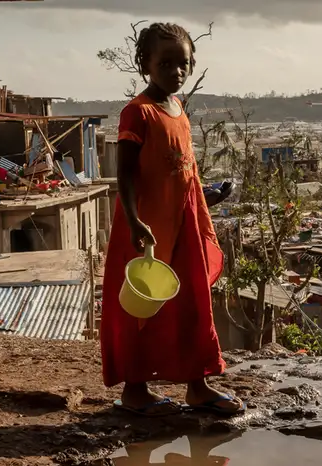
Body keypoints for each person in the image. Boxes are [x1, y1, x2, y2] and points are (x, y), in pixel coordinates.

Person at [100, 22, 245, 417]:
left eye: (183, 64)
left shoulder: (178, 109)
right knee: (142, 310)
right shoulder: (137, 113)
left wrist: (206, 198)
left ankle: (198, 386)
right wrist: (133, 221)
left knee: (193, 303)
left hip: (183, 224)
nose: (175, 72)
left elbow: (183, 171)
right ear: (145, 63)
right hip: (147, 229)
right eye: (165, 63)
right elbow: (125, 175)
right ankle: (135, 390)